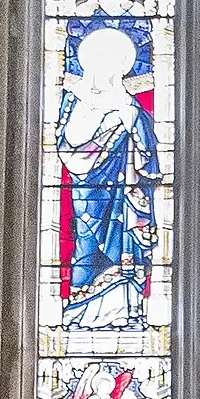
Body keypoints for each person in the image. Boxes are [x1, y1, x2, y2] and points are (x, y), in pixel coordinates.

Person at [56, 22, 159, 330]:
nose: (107, 70)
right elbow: (66, 145)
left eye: (113, 63)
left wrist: (130, 121)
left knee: (124, 246)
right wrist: (106, 125)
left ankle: (125, 310)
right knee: (86, 249)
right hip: (88, 192)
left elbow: (147, 151)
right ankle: (80, 311)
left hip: (122, 192)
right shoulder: (75, 99)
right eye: (101, 61)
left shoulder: (130, 104)